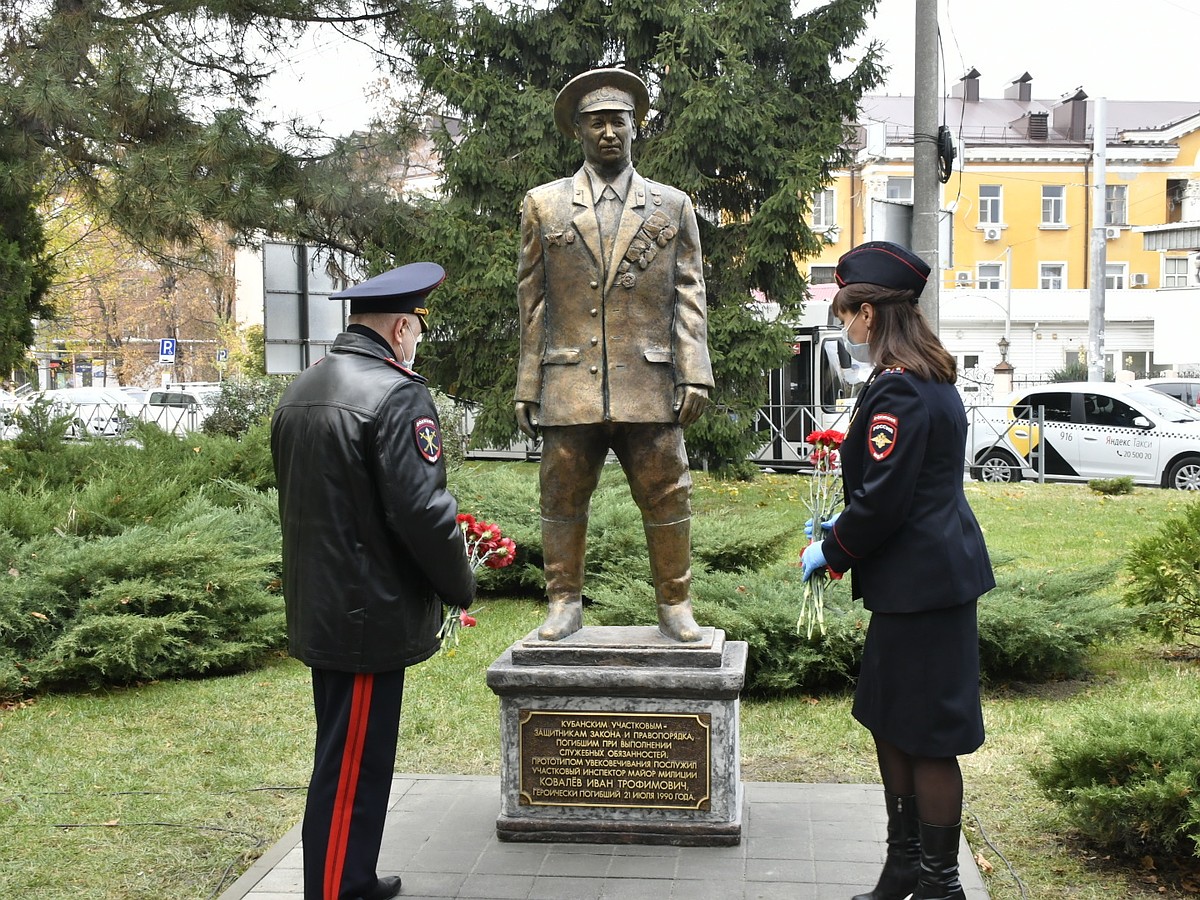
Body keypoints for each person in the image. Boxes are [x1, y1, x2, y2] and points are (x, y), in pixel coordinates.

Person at [271, 261, 475, 900]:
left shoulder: (302, 387)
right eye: (415, 331)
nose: (415, 342)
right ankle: (334, 891)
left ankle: (351, 876)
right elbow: (423, 511)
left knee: (346, 757)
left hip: (323, 605)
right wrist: (459, 583)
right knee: (351, 767)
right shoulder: (396, 394)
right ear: (401, 327)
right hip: (366, 614)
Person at [800, 241, 994, 900]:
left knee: (929, 738)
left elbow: (884, 499)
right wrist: (838, 533)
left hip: (925, 587)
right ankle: (905, 865)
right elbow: (891, 490)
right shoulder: (919, 378)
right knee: (891, 720)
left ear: (872, 313)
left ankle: (941, 886)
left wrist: (833, 549)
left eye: (847, 311)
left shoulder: (903, 390)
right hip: (916, 582)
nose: (845, 324)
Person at [515, 67, 714, 642]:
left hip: (649, 380)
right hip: (569, 379)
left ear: (635, 128)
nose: (608, 132)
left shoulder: (671, 206)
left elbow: (689, 292)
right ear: (577, 131)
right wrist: (529, 383)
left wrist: (693, 371)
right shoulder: (544, 205)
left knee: (668, 490)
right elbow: (531, 300)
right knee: (561, 490)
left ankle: (676, 605)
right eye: (596, 122)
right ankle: (563, 602)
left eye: (618, 121)